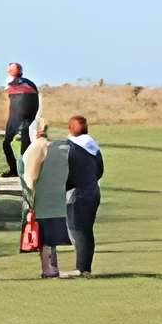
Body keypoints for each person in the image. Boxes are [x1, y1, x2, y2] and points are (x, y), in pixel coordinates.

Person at [19, 119, 71, 279]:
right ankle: (54, 267)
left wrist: (29, 200)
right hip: (58, 199)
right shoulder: (60, 148)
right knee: (51, 237)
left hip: (41, 199)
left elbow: (30, 177)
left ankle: (47, 268)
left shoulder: (35, 148)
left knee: (43, 238)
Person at [61, 114, 105, 276]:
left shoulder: (69, 147)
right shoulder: (93, 147)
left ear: (70, 129)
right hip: (93, 192)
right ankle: (85, 267)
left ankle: (82, 268)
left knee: (77, 230)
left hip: (76, 194)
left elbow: (65, 173)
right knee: (86, 230)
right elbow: (99, 171)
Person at [0, 62, 39, 177]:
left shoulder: (10, 82)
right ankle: (27, 169)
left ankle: (14, 170)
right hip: (30, 114)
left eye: (9, 70)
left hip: (17, 115)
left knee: (6, 143)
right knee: (26, 143)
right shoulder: (31, 83)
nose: (8, 71)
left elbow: (9, 99)